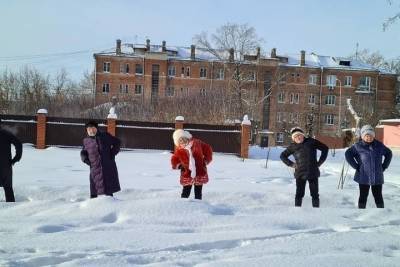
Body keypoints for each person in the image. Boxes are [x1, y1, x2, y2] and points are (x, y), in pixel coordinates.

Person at [345, 125, 392, 209]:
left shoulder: (379, 145)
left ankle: (381, 213)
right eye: (366, 135)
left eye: (370, 135)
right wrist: (356, 166)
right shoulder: (358, 146)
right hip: (363, 176)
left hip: (377, 176)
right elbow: (348, 154)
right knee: (363, 196)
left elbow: (389, 153)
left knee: (378, 196)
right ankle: (361, 212)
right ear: (363, 136)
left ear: (373, 136)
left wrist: (384, 166)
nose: (369, 137)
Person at [280, 127, 329, 208]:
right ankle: (297, 211)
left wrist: (320, 162)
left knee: (315, 194)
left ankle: (316, 211)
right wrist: (291, 164)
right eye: (295, 137)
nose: (298, 137)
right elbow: (282, 156)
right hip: (300, 173)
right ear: (293, 139)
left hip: (313, 172)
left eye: (299, 135)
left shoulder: (311, 141)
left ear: (303, 135)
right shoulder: (292, 146)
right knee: (299, 194)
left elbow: (325, 148)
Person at [80, 121, 121, 198]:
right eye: (89, 129)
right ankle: (92, 207)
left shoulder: (105, 136)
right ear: (87, 131)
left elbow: (117, 142)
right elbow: (83, 152)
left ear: (97, 128)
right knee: (94, 190)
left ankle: (112, 205)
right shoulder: (86, 141)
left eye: (93, 128)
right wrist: (85, 159)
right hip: (94, 168)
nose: (91, 131)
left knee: (108, 190)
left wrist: (112, 153)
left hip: (107, 166)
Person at [171, 129, 213, 200]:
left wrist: (206, 160)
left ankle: (198, 206)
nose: (182, 141)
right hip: (187, 173)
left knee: (198, 192)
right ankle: (183, 206)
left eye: (183, 138)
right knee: (186, 192)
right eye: (179, 140)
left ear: (186, 137)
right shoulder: (179, 150)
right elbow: (174, 159)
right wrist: (179, 165)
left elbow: (208, 149)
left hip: (199, 171)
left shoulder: (197, 143)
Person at [0, 118, 22, 202]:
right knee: (8, 188)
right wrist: (16, 159)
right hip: (6, 165)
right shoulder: (6, 134)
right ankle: (12, 209)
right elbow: (19, 144)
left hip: (6, 165)